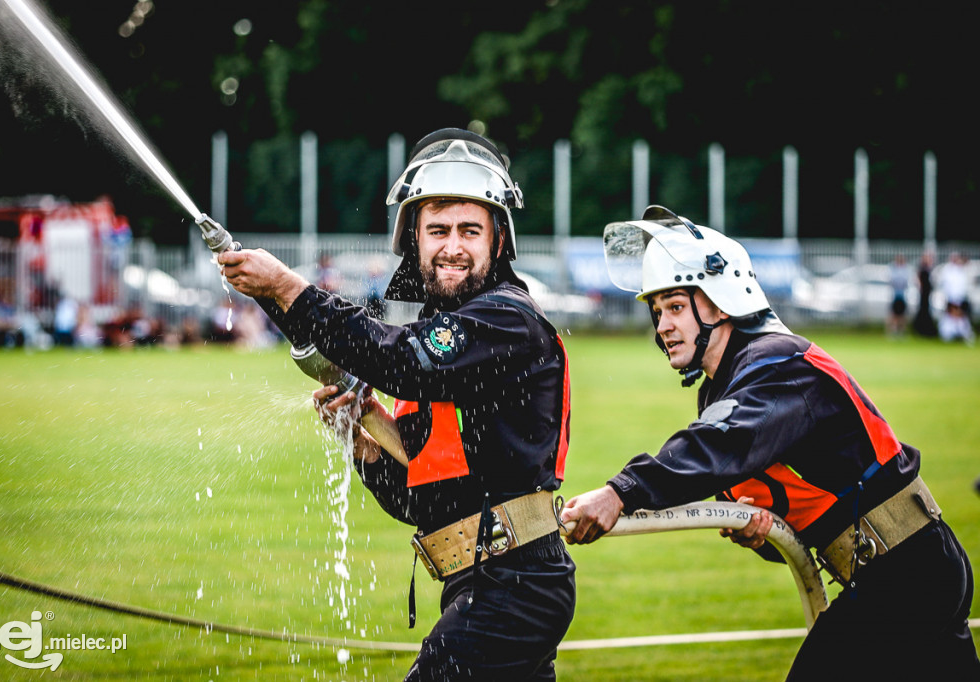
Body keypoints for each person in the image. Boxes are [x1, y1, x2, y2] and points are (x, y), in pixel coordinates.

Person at [561, 206, 979, 680]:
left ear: (719, 304)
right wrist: (756, 528)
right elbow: (787, 494)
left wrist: (621, 491)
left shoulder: (776, 362)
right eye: (658, 312)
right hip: (905, 571)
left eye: (676, 307)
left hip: (907, 574)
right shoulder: (729, 388)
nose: (662, 326)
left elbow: (717, 446)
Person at [218, 128, 575, 681]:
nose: (452, 246)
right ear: (414, 243)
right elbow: (419, 502)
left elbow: (398, 359)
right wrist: (367, 450)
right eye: (437, 230)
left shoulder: (505, 320)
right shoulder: (450, 346)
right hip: (484, 582)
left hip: (515, 587)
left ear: (498, 242)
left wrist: (289, 287)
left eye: (469, 231)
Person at [886, 253, 910, 337]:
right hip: (895, 294)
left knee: (902, 315)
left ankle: (901, 332)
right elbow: (892, 281)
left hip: (902, 295)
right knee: (894, 314)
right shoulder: (893, 269)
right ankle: (893, 331)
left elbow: (906, 282)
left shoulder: (905, 270)